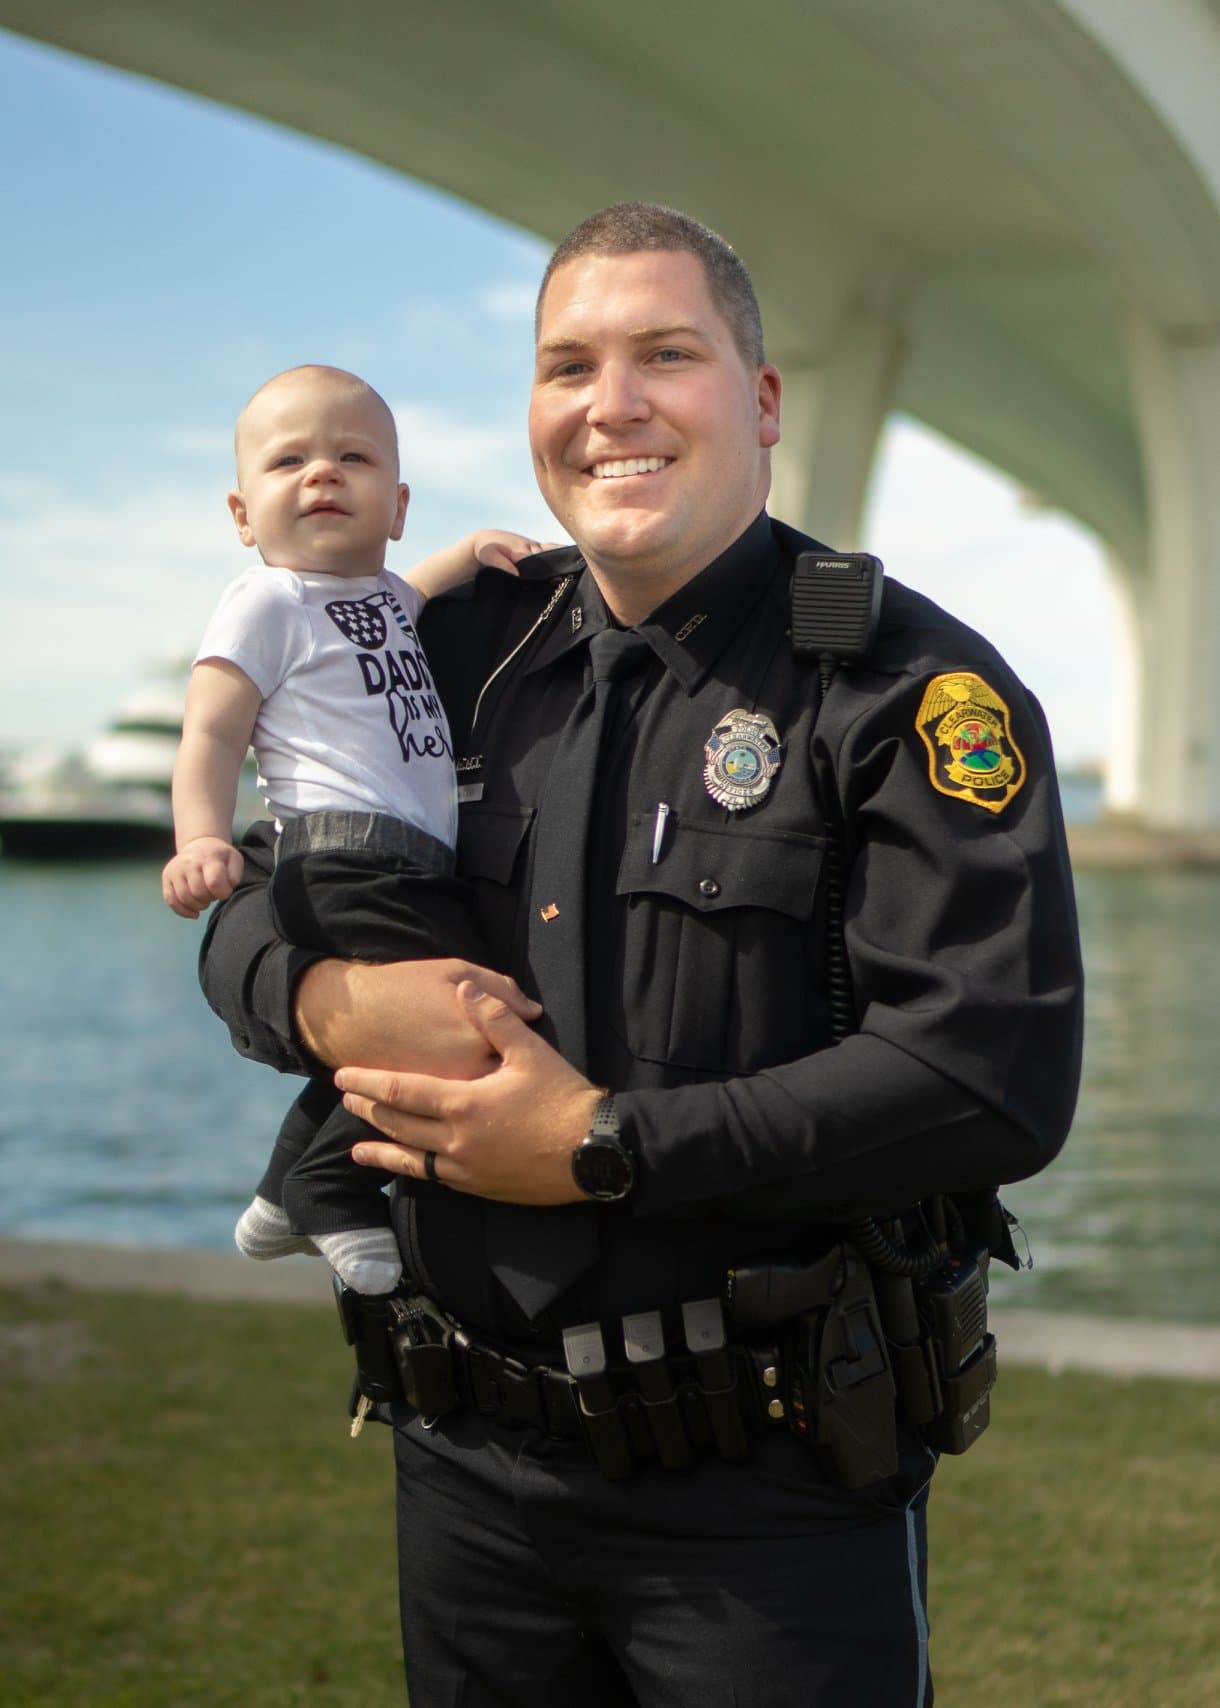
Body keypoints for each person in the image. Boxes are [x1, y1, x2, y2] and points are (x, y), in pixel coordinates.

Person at [200, 205, 1084, 1706]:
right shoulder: (444, 652)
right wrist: (330, 996)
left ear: (761, 400)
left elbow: (988, 1077)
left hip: (766, 1500)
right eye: (568, 366)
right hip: (462, 1463)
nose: (611, 404)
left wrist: (602, 1147)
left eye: (666, 354)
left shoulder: (903, 688)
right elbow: (246, 903)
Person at [163, 363, 547, 1295]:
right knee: (460, 1019)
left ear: (397, 503)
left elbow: (413, 590)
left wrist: (468, 552)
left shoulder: (385, 601)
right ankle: (334, 1191)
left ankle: (278, 1193)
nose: (323, 474)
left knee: (390, 1033)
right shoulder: (266, 601)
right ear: (243, 516)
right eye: (289, 460)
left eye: (354, 457)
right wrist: (200, 838)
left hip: (410, 864)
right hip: (342, 856)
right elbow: (211, 729)